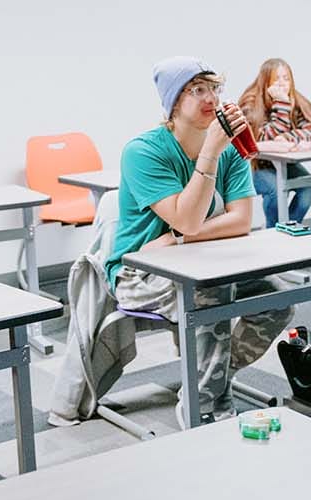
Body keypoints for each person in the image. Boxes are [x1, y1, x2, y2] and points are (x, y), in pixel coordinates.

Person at [104, 57, 293, 422]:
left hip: (198, 260)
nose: (211, 98)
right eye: (197, 90)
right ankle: (203, 408)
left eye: (214, 88)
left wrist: (176, 240)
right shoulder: (143, 152)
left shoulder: (228, 146)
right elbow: (189, 218)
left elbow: (240, 220)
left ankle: (209, 380)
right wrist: (210, 152)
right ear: (174, 103)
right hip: (137, 272)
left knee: (278, 298)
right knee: (211, 293)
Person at [238, 58, 311, 229]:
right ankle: (273, 230)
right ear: (266, 82)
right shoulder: (250, 103)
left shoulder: (296, 99)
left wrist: (289, 137)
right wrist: (282, 104)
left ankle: (287, 228)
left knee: (308, 184)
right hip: (256, 166)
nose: (282, 83)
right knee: (275, 189)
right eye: (276, 79)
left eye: (286, 78)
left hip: (283, 164)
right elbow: (263, 138)